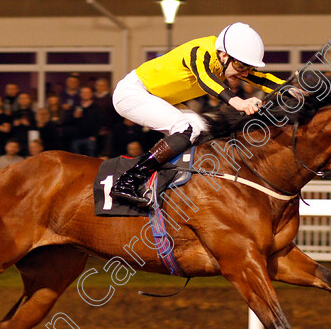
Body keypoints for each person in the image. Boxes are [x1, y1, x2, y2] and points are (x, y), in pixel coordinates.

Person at [109, 22, 293, 206]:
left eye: (248, 68)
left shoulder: (229, 64)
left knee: (204, 130)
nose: (244, 73)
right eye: (240, 67)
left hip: (159, 98)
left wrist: (294, 90)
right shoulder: (198, 52)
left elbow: (262, 79)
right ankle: (127, 182)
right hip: (133, 92)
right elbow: (206, 80)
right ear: (224, 55)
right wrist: (239, 102)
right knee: (186, 129)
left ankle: (174, 183)